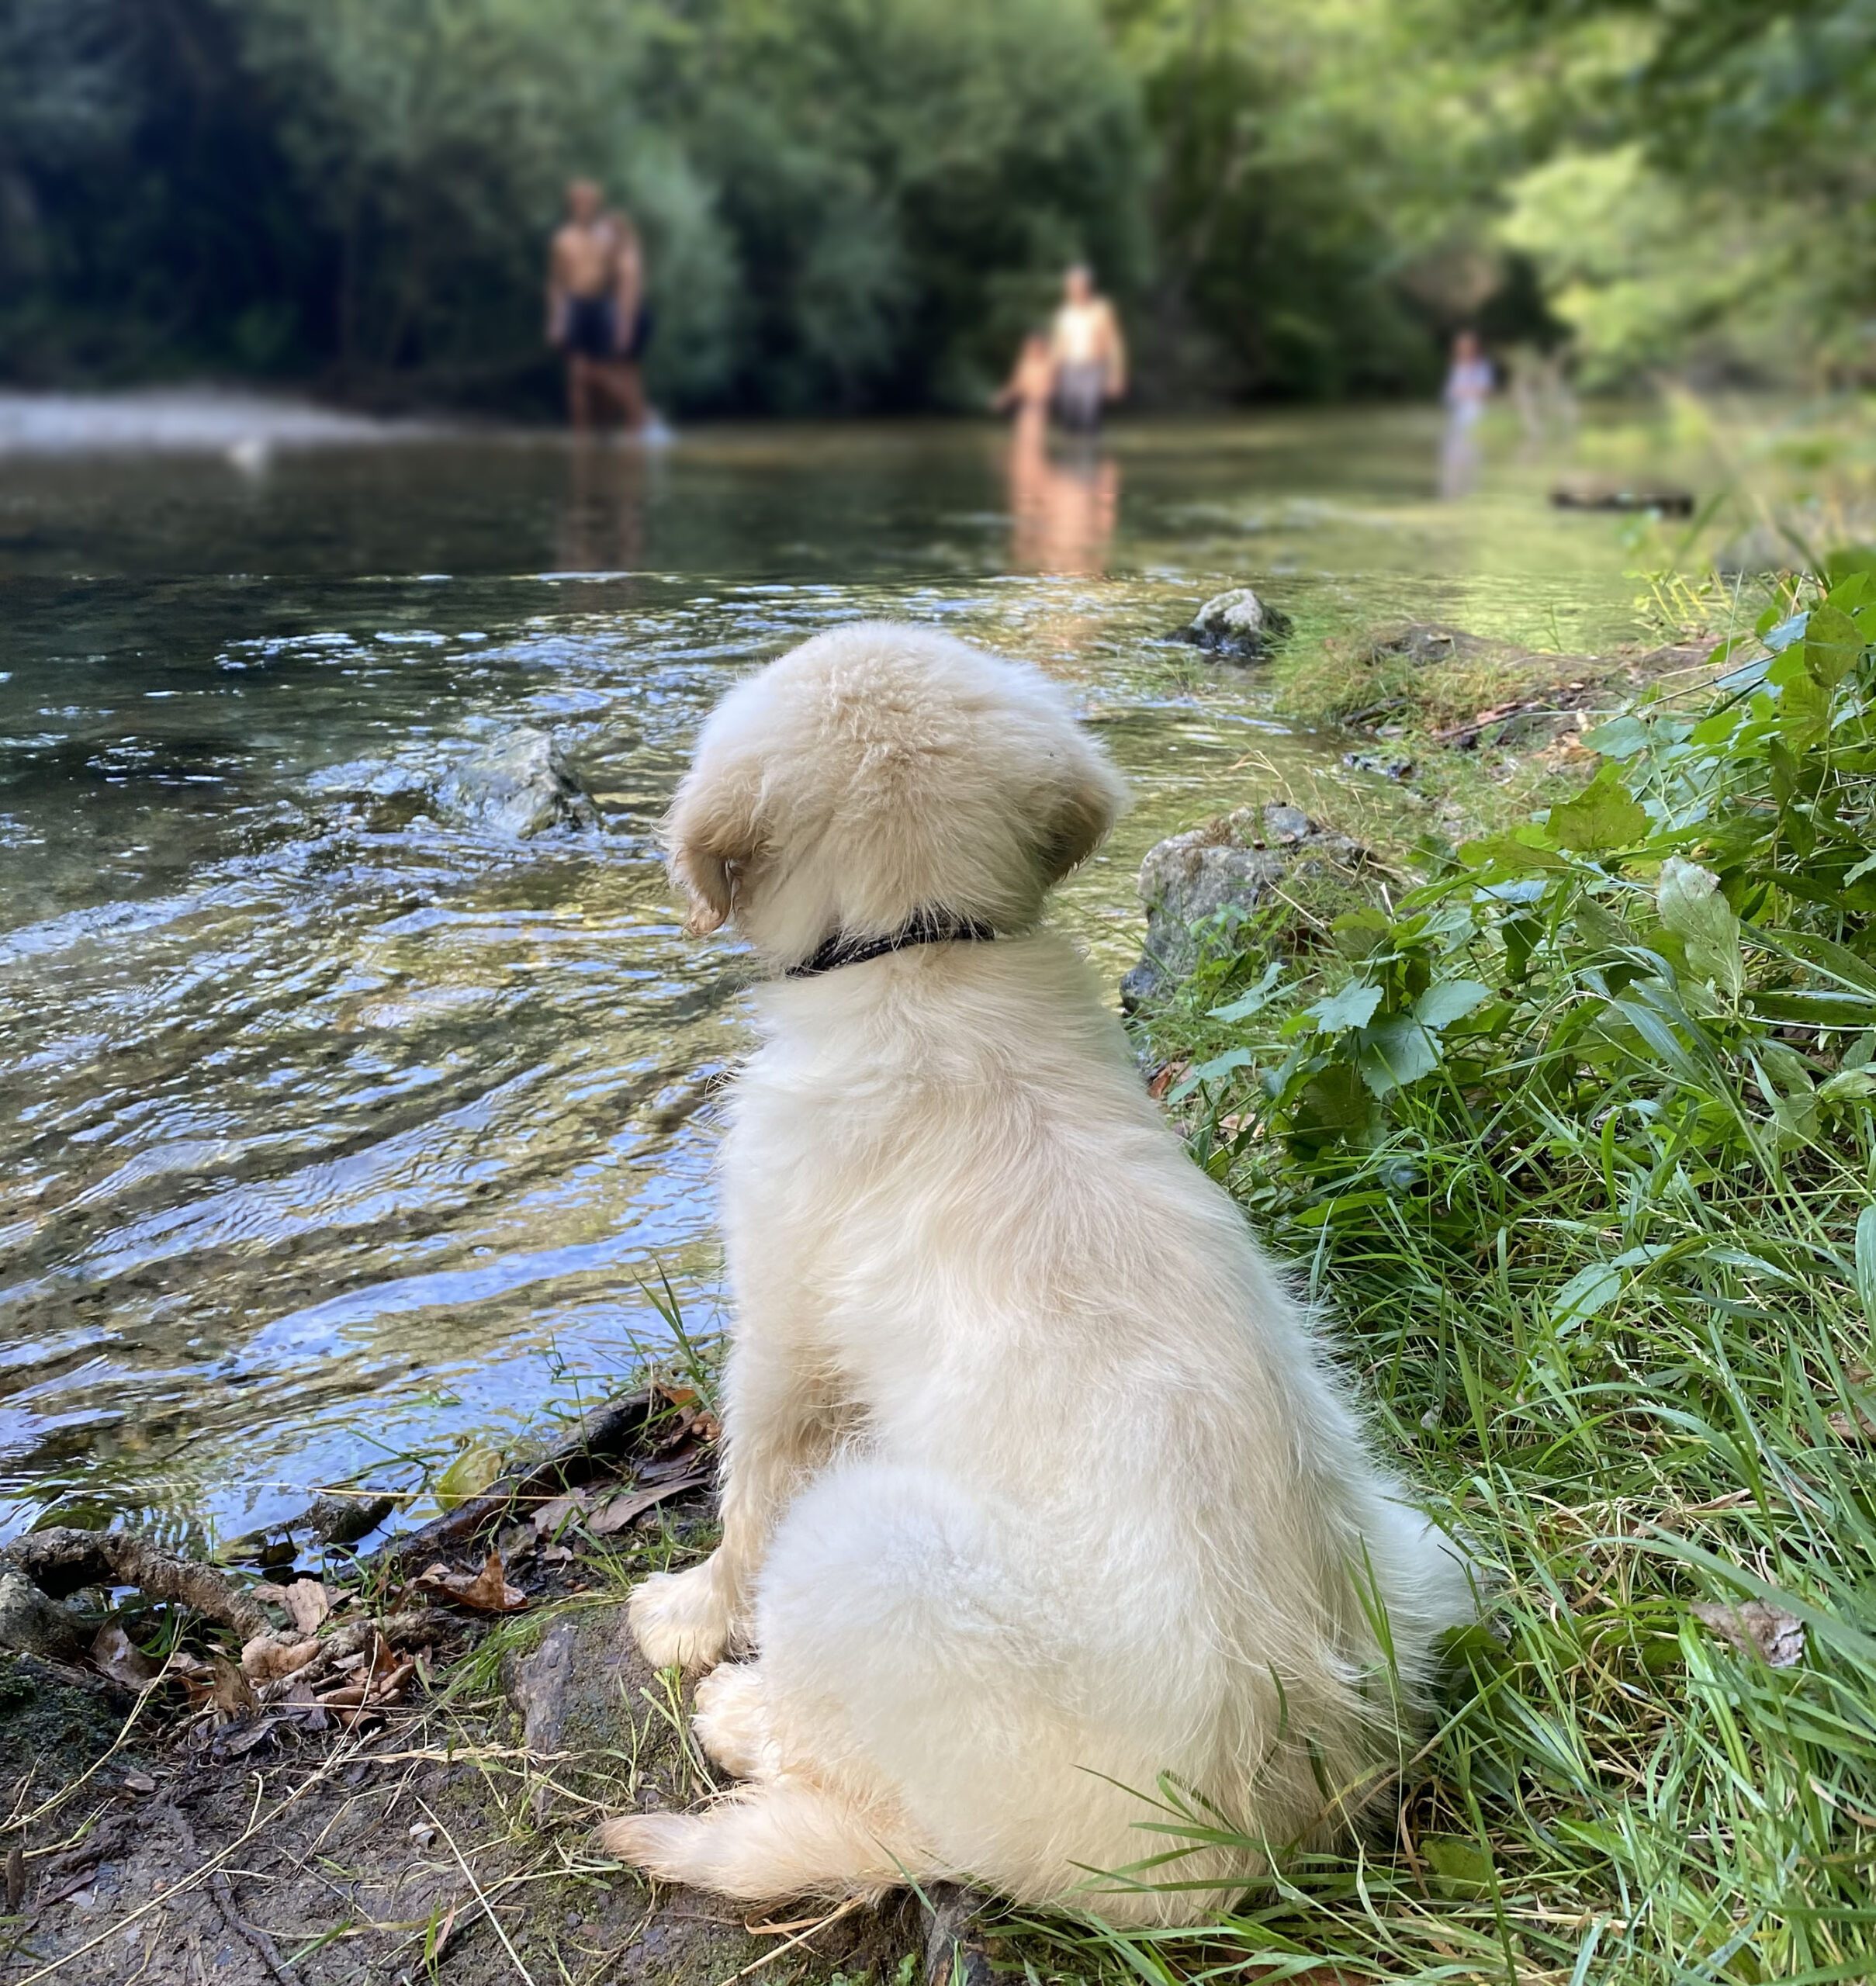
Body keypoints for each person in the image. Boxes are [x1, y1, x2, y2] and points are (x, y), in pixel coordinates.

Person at [547, 179, 649, 434]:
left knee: (610, 371)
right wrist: (556, 319)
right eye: (579, 202)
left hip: (603, 305)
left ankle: (635, 419)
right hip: (576, 305)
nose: (584, 206)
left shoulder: (606, 235)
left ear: (595, 205)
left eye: (589, 202)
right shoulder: (562, 239)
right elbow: (557, 283)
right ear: (571, 205)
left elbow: (626, 269)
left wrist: (626, 315)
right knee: (578, 374)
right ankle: (581, 436)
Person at [1047, 264, 1126, 433]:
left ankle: (1091, 447)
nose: (1074, 289)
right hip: (1068, 369)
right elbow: (1057, 347)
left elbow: (1114, 344)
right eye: (1071, 286)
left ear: (1087, 286)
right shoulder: (1063, 314)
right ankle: (1070, 448)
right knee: (1068, 417)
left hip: (1093, 368)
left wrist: (1116, 375)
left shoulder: (1102, 310)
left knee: (1090, 415)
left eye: (1078, 285)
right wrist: (1050, 375)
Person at [1438, 328, 1494, 497]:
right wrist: (1463, 392)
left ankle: (1467, 487)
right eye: (1460, 346)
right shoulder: (1457, 367)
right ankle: (1453, 487)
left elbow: (1484, 391)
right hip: (1458, 416)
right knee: (1452, 453)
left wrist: (1464, 391)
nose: (1463, 349)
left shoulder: (1482, 367)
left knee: (1472, 453)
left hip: (1476, 414)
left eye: (1467, 346)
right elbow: (1449, 394)